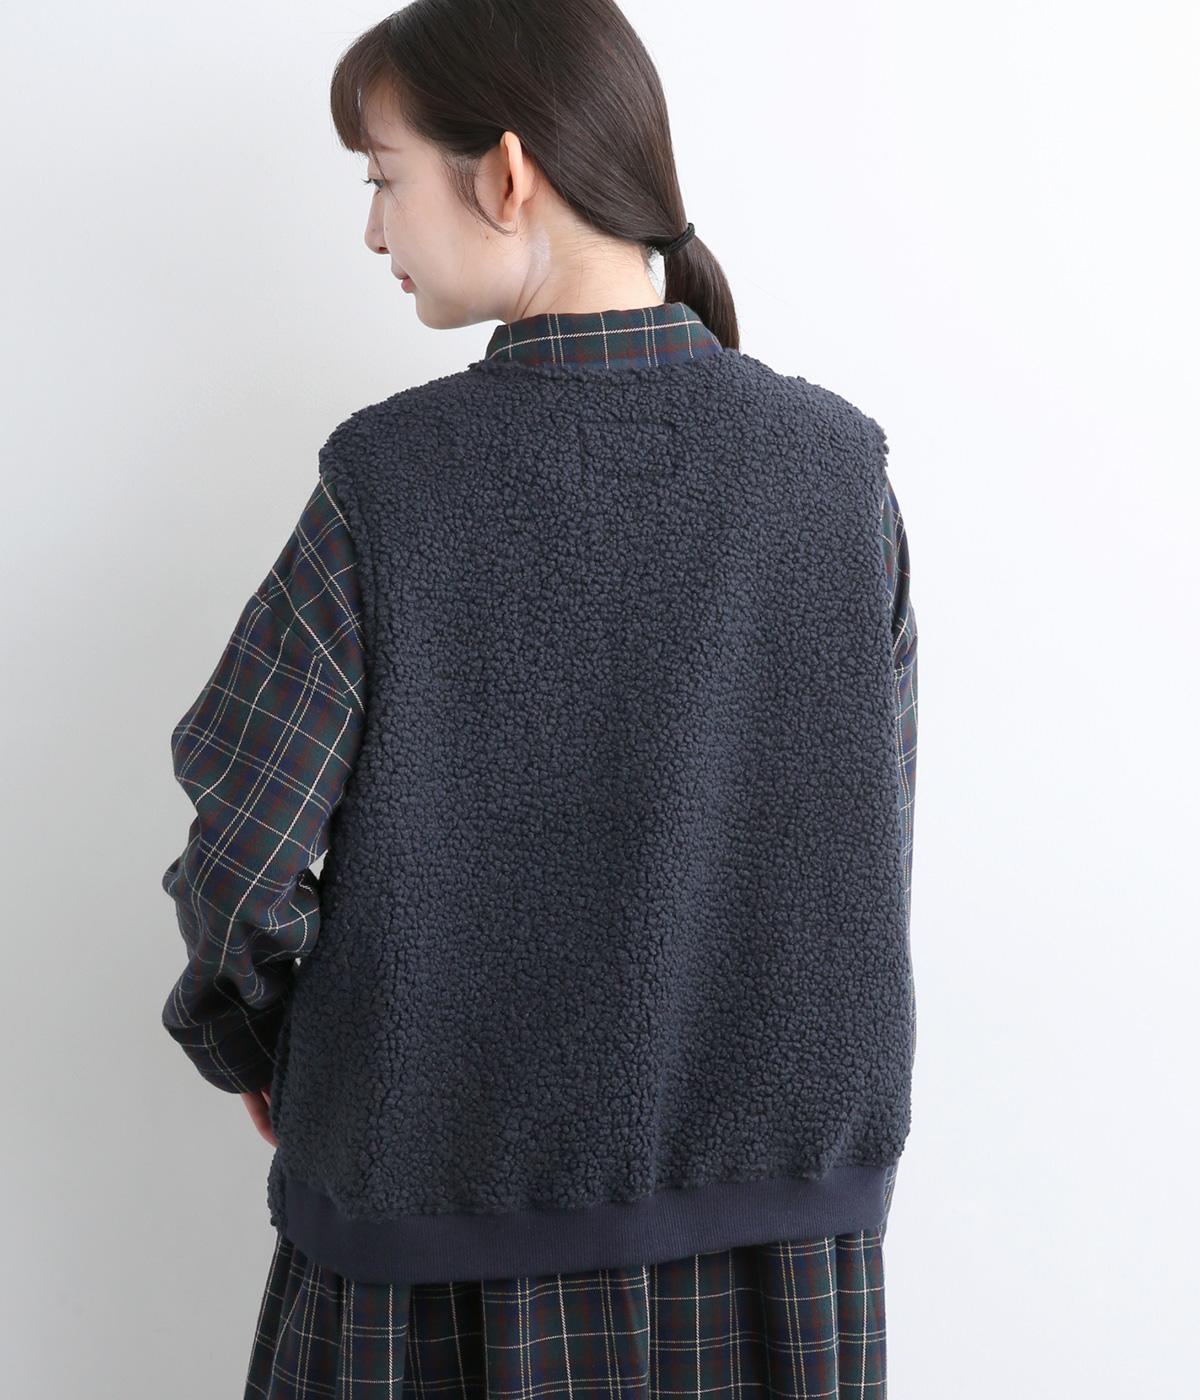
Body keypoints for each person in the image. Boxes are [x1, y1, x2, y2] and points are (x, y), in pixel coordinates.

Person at [158, 3, 918, 1396]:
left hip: (425, 1256)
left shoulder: (390, 487)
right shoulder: (836, 476)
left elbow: (246, 863)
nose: (373, 231)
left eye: (383, 177)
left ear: (506, 173)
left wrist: (255, 1039)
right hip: (776, 1269)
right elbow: (869, 844)